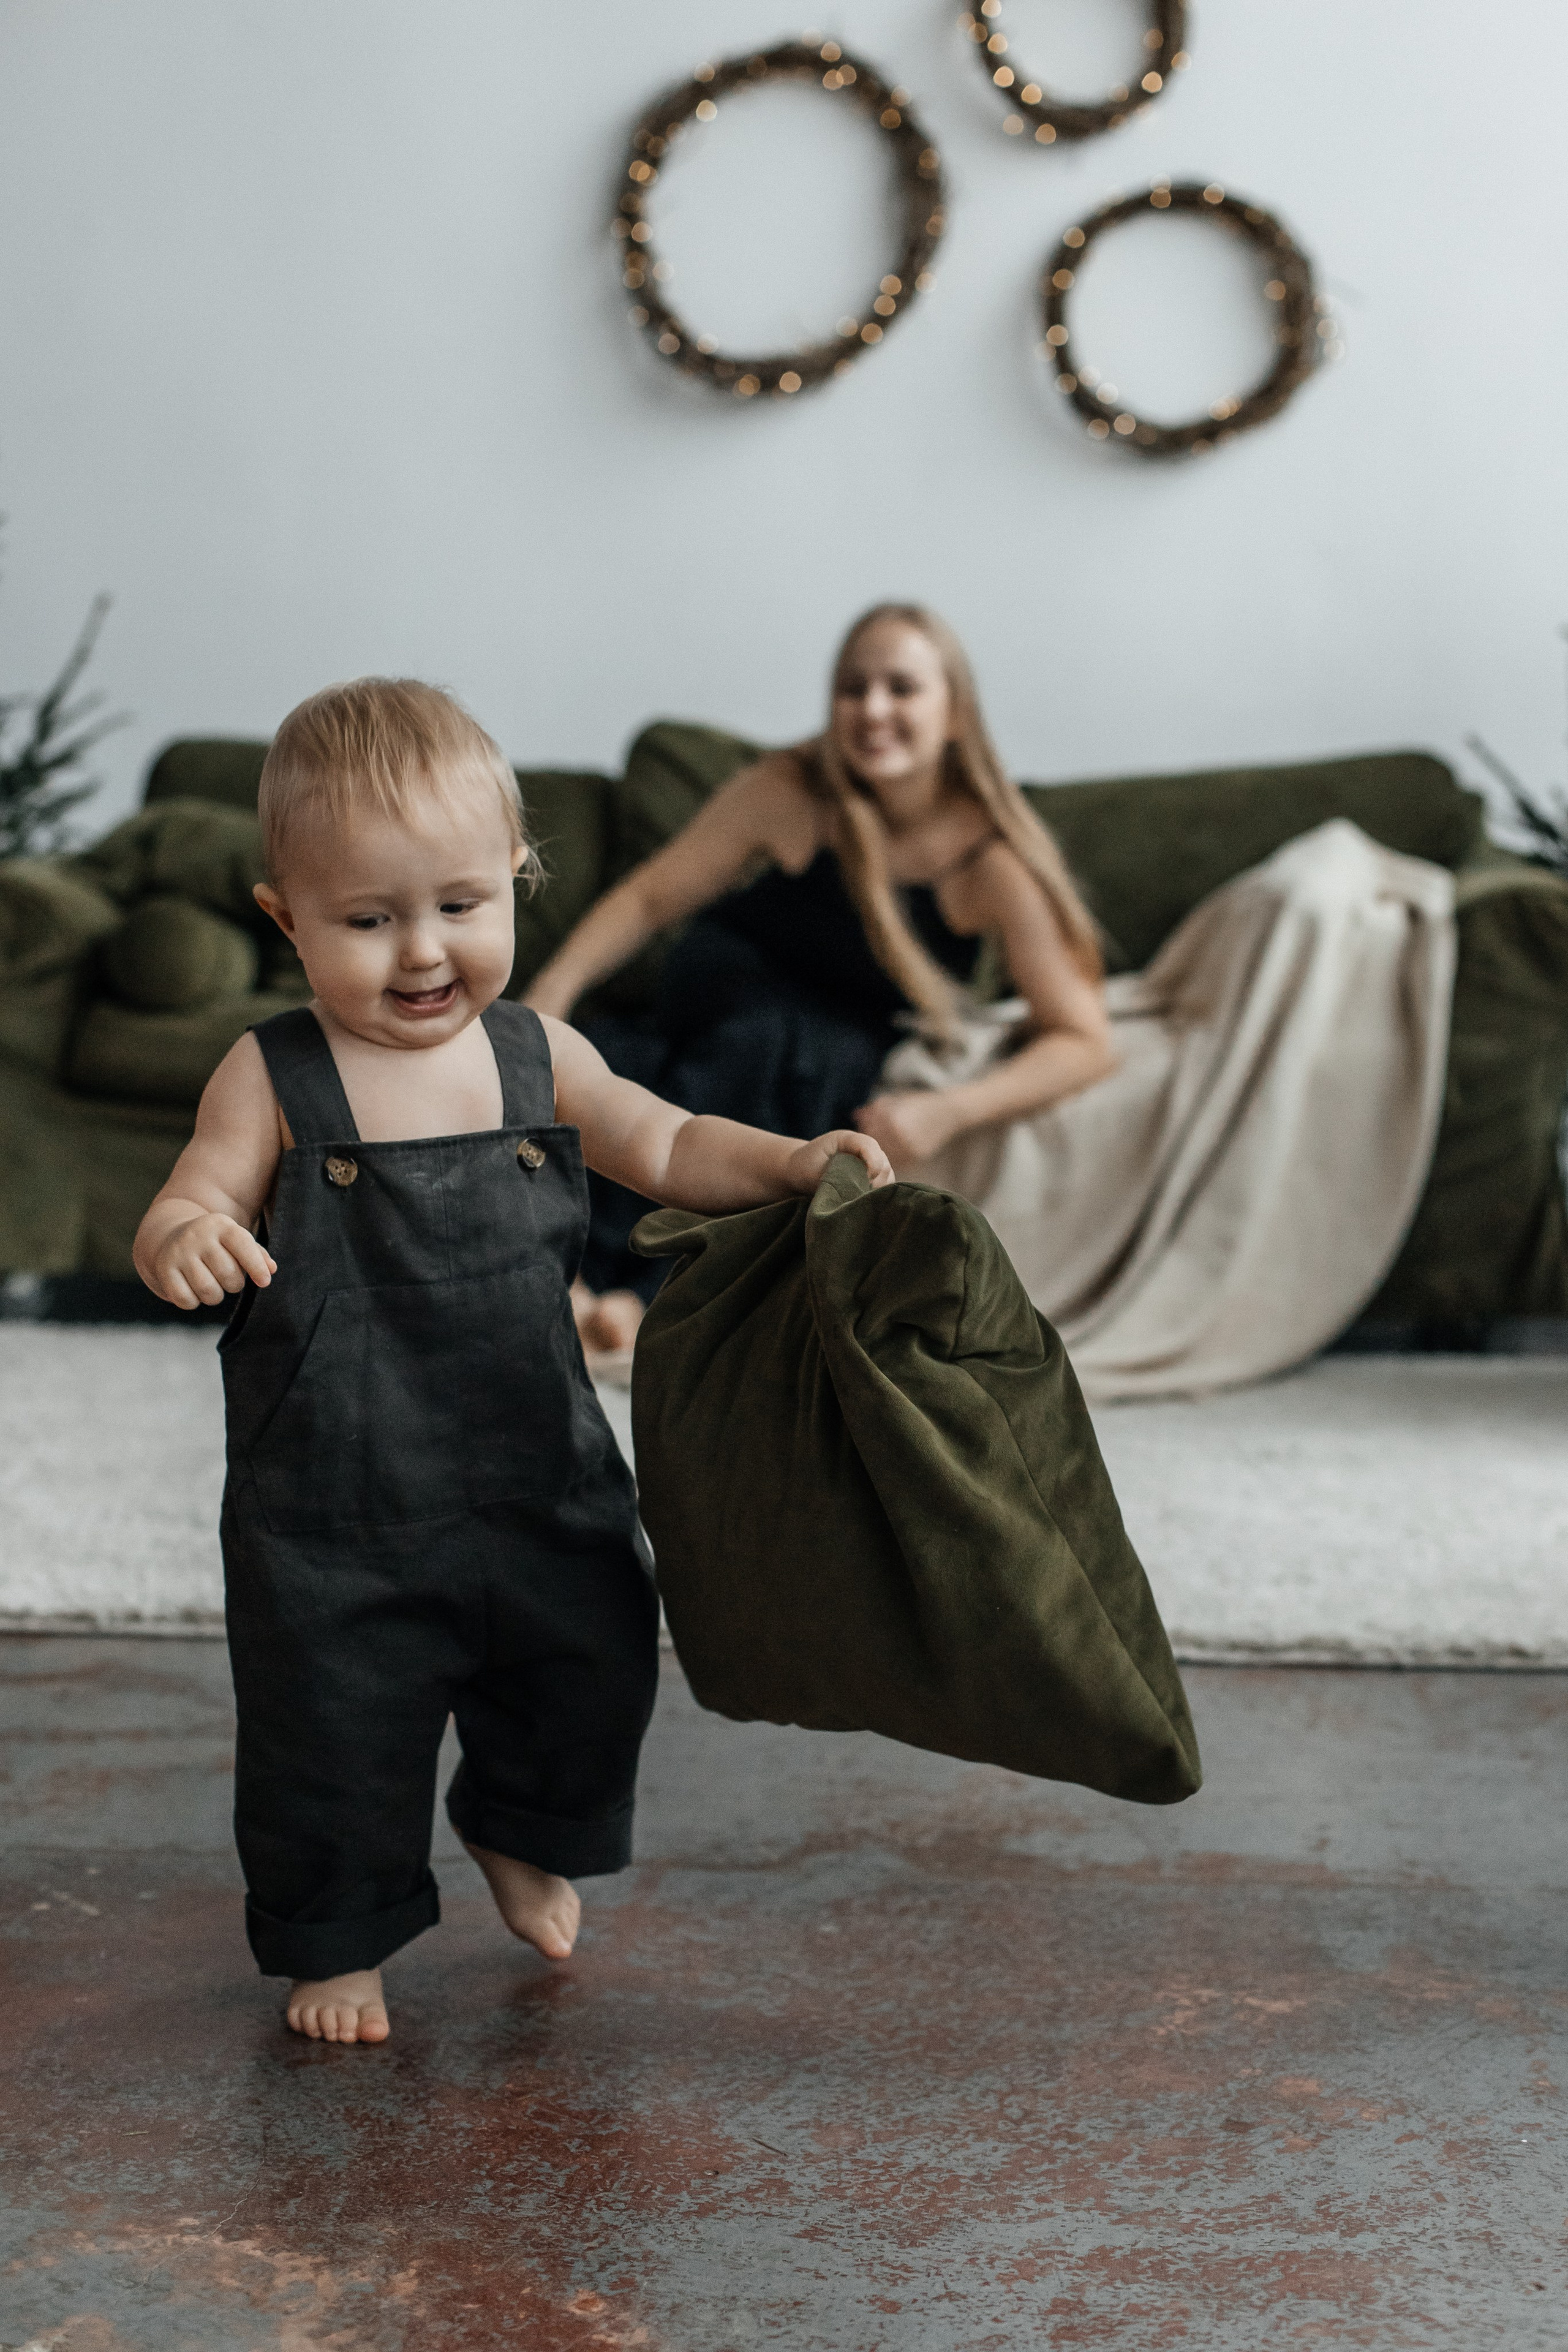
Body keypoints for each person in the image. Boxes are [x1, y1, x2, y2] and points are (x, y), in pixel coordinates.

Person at [132, 678, 891, 2048]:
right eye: (367, 920)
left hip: (539, 1470)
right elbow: (196, 1190)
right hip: (335, 1512)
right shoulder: (272, 1074)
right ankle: (344, 1933)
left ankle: (514, 1819)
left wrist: (786, 1160)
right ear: (284, 917)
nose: (422, 953)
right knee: (332, 1739)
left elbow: (662, 1145)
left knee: (592, 1666)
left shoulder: (537, 1054)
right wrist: (186, 1233)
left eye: (462, 907)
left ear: (518, 884)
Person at [526, 603, 1117, 1354]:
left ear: (955, 714)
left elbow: (1084, 1039)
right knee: (697, 1056)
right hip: (722, 990)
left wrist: (949, 1111)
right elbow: (648, 898)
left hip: (823, 1047)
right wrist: (548, 998)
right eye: (852, 687)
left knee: (794, 1069)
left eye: (901, 688)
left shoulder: (989, 859)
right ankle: (595, 1283)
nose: (872, 709)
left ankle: (634, 1290)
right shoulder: (793, 788)